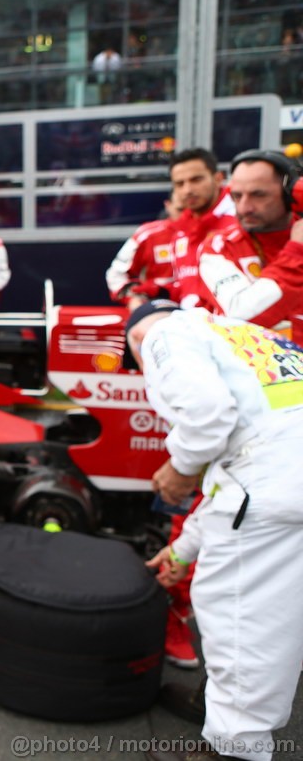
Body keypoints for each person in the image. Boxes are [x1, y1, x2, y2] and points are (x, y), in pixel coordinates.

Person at [126, 300, 303, 761]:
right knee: (280, 617)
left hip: (276, 485)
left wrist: (179, 469)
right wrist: (183, 551)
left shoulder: (163, 335)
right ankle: (218, 707)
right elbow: (237, 473)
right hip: (285, 480)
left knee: (240, 618)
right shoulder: (245, 337)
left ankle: (233, 750)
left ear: (138, 341)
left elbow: (207, 418)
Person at [195, 149, 303, 339]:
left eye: (258, 195)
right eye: (237, 196)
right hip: (249, 366)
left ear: (289, 195)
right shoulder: (220, 247)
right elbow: (241, 317)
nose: (245, 207)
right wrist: (296, 253)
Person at [169, 148, 236, 305]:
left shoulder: (241, 220)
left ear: (218, 178)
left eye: (196, 180)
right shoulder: (181, 231)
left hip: (235, 327)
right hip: (191, 324)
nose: (188, 190)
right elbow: (186, 287)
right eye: (180, 184)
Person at [105, 197, 179, 308]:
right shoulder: (147, 235)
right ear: (168, 205)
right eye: (181, 209)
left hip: (203, 312)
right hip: (160, 309)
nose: (187, 215)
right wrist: (132, 299)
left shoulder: (211, 234)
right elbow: (115, 275)